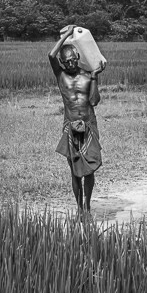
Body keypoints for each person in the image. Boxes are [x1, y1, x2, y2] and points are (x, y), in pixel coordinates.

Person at [48, 25, 106, 212]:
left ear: (78, 58)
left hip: (88, 123)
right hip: (70, 125)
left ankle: (87, 206)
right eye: (67, 61)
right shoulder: (61, 75)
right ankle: (79, 207)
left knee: (89, 169)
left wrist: (96, 77)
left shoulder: (88, 76)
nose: (71, 63)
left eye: (73, 59)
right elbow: (51, 55)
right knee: (74, 171)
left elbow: (94, 101)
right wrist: (67, 35)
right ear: (63, 63)